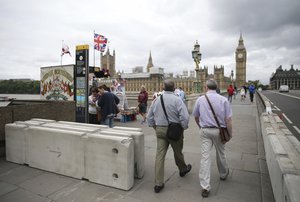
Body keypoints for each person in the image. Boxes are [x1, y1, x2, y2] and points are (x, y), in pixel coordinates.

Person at [147, 79, 191, 193]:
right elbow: (185, 117)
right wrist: (183, 127)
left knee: (159, 156)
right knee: (178, 152)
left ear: (163, 87)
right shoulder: (178, 100)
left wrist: (155, 127)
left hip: (160, 130)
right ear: (174, 88)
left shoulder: (156, 100)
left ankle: (158, 183)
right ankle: (183, 169)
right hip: (175, 130)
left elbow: (149, 117)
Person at [192, 79, 232, 198]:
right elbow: (228, 120)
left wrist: (201, 127)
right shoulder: (224, 100)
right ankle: (223, 174)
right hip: (219, 131)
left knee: (205, 157)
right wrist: (230, 134)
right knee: (221, 153)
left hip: (205, 130)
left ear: (206, 87)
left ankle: (205, 186)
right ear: (216, 87)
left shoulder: (200, 99)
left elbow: (196, 117)